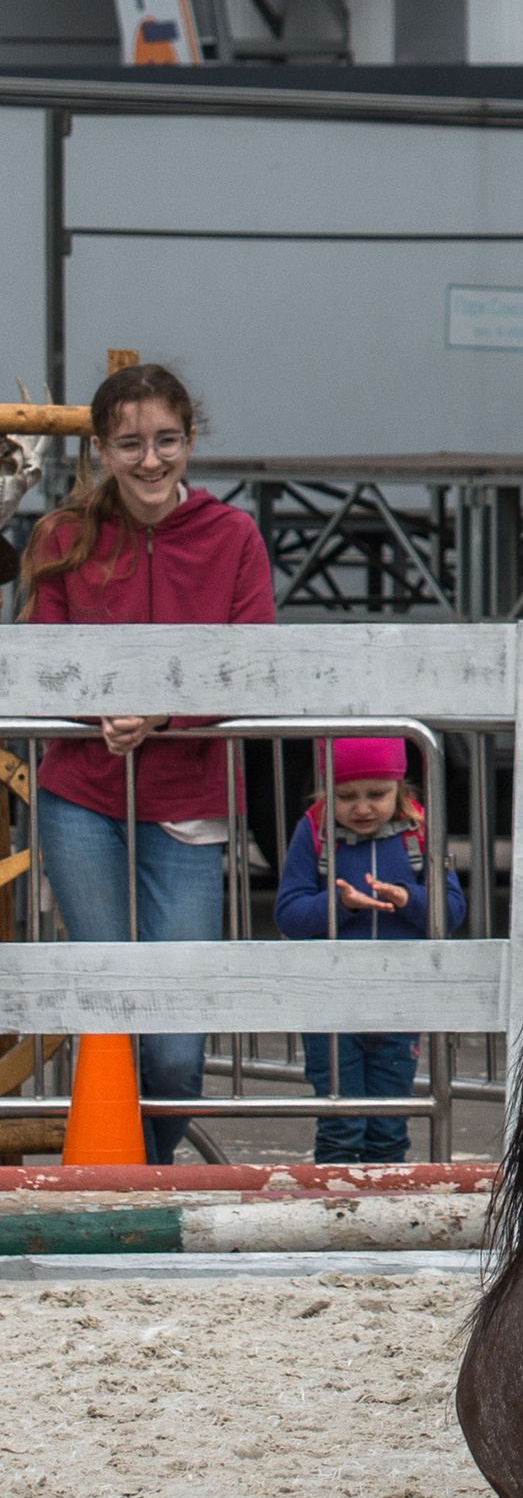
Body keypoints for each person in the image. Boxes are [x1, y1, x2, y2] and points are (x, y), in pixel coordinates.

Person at [22, 360, 272, 1166]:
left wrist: (164, 714)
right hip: (80, 797)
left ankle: (148, 1168)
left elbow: (255, 660)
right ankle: (125, 1178)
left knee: (175, 1040)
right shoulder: (63, 535)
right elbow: (42, 653)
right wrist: (96, 708)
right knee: (111, 1006)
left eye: (166, 439)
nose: (151, 459)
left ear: (191, 439)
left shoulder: (234, 536)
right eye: (130, 443)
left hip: (192, 796)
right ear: (99, 449)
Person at [274, 735, 465, 1165]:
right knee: (340, 1127)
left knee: (389, 1128)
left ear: (401, 787)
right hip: (331, 1006)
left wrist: (407, 899)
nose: (362, 808)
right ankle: (334, 1222)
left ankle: (387, 1224)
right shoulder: (315, 831)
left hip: (399, 1002)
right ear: (326, 792)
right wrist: (339, 906)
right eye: (346, 796)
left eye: (377, 794)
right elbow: (288, 913)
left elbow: (452, 911)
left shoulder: (419, 831)